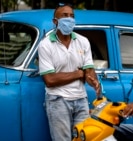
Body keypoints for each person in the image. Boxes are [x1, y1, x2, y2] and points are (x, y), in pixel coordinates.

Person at [37, 3, 101, 141]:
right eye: (65, 16)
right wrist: (78, 74)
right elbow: (50, 80)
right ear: (55, 21)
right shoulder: (46, 45)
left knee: (84, 138)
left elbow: (89, 70)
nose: (69, 19)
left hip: (81, 99)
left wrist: (93, 80)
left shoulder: (83, 41)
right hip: (58, 100)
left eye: (72, 16)